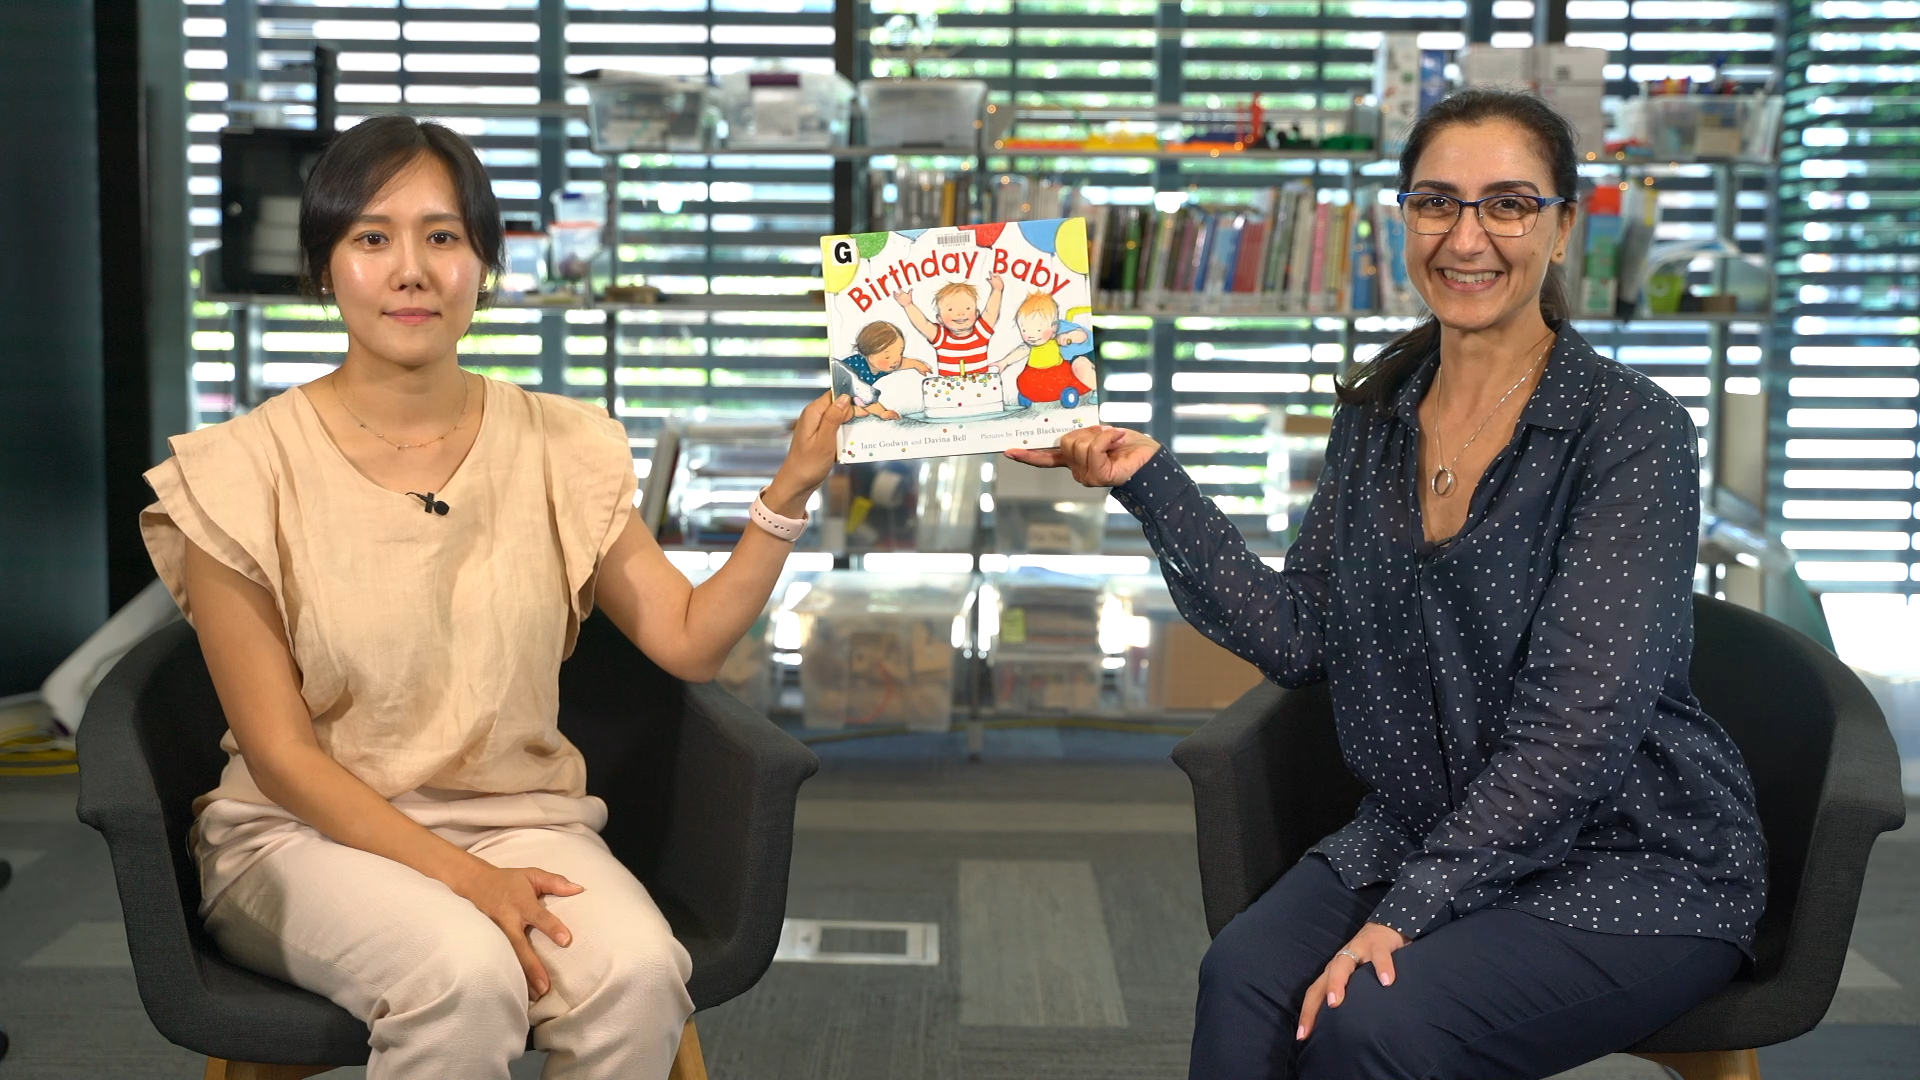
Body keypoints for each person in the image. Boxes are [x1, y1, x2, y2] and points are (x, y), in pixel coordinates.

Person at [1008, 88, 1767, 1080]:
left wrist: (1414, 909)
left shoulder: (1630, 431)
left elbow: (1576, 728)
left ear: (1564, 228)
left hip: (1625, 854)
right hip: (1422, 826)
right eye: (1436, 202)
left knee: (1377, 1026)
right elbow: (1300, 637)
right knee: (1240, 980)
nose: (1467, 236)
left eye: (1508, 203)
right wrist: (1147, 483)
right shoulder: (1376, 415)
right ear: (1403, 218)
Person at [139, 116, 851, 1080]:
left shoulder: (564, 446)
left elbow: (688, 642)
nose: (410, 271)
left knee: (640, 975)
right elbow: (282, 757)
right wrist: (470, 882)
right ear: (324, 267)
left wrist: (789, 491)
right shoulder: (236, 472)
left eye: (443, 236)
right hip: (300, 836)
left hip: (520, 819)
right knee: (464, 975)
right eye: (370, 237)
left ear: (484, 264)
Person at [894, 276, 1006, 375]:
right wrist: (908, 305)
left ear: (976, 314)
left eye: (967, 308)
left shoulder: (981, 332)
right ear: (940, 319)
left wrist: (997, 290)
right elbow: (923, 324)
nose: (960, 313)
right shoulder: (941, 337)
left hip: (979, 391)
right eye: (951, 309)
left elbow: (991, 312)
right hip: (949, 394)